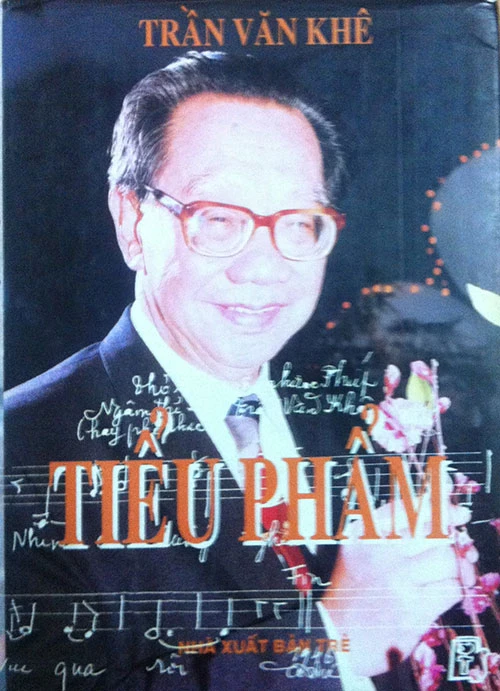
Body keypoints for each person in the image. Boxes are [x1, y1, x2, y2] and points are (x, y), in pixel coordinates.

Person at [5, 51, 465, 690]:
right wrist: (337, 641)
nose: (263, 268)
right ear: (132, 223)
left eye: (299, 222)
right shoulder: (20, 449)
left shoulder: (366, 421)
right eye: (218, 219)